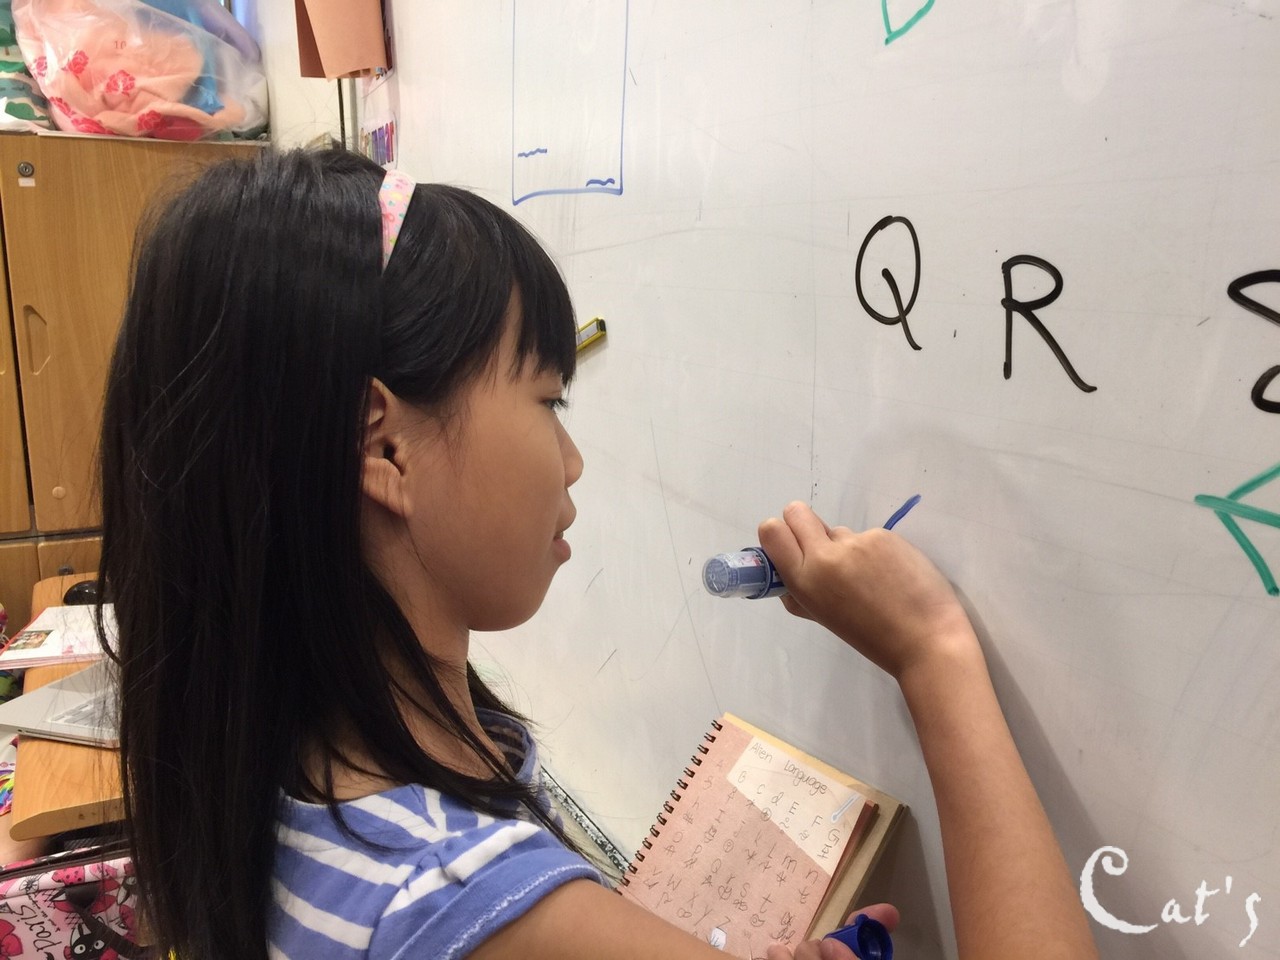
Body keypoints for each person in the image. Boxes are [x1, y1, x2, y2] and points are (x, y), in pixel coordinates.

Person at [96, 146, 1098, 960]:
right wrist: (933, 653)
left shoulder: (278, 759)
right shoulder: (468, 905)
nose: (571, 460)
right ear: (385, 446)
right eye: (549, 399)